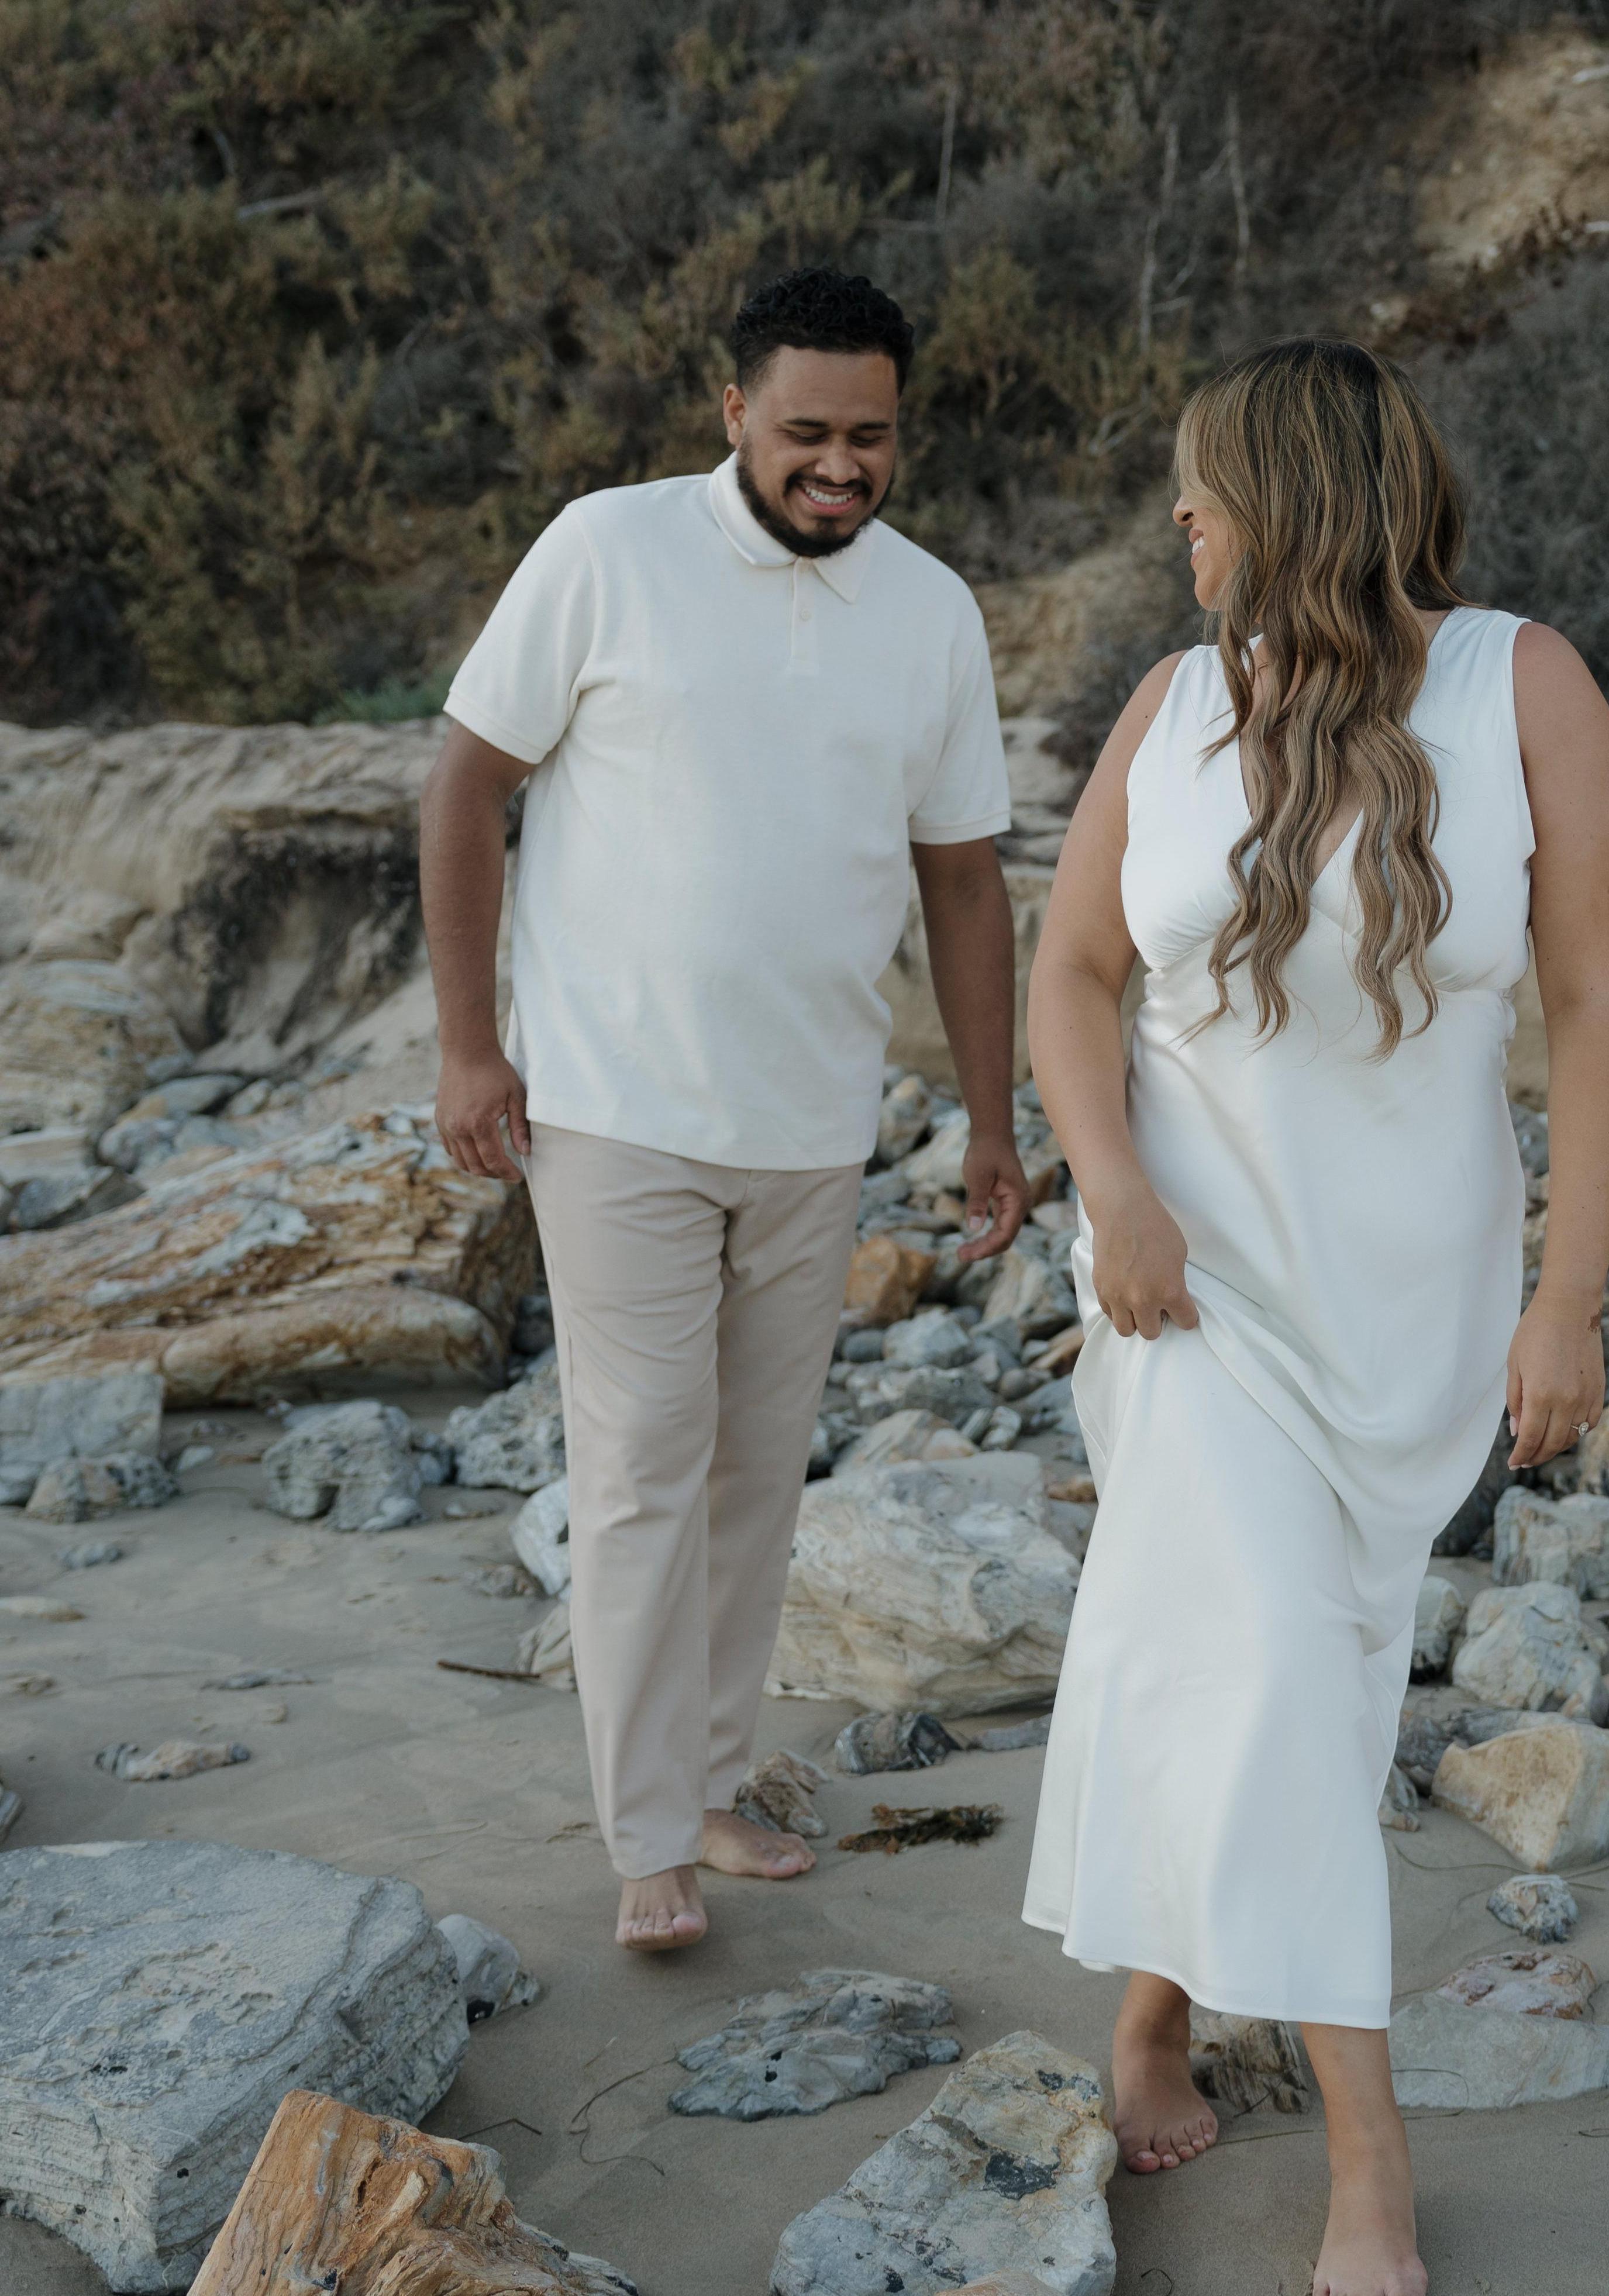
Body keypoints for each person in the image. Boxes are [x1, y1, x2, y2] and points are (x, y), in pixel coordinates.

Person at [1022, 340, 1609, 2296]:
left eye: (1204, 490)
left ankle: (1155, 2002)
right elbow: (1070, 974)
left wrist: (1568, 1294)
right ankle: (1370, 2159)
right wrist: (1112, 1196)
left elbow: (1596, 1010)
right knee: (1281, 1660)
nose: (1180, 523)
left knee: (1290, 1671)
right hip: (1187, 1286)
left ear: (1289, 498)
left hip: (1410, 1300)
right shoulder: (1170, 706)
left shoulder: (1523, 686)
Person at [419, 267, 1026, 1954]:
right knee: (638, 1467)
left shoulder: (932, 611)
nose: (842, 465)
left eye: (872, 436)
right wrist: (470, 1047)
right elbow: (467, 786)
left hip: (814, 1120)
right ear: (735, 411)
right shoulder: (606, 549)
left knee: (758, 1477)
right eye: (808, 430)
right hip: (613, 1103)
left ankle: (706, 1784)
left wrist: (991, 1120)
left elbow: (964, 882)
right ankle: (645, 1847)